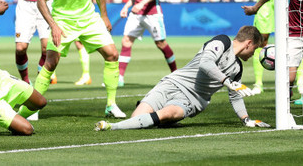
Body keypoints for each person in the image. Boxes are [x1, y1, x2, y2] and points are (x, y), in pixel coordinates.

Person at [18, 0, 126, 119]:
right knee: (51, 63)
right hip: (63, 21)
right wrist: (54, 25)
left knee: (112, 55)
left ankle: (111, 105)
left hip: (88, 18)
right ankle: (30, 109)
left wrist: (104, 15)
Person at [95, 26, 270, 131]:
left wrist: (246, 119)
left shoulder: (237, 68)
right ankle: (161, 117)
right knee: (137, 117)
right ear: (248, 43)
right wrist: (227, 81)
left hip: (193, 100)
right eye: (254, 49)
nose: (253, 54)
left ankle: (111, 127)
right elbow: (206, 63)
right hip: (173, 83)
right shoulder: (222, 42)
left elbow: (235, 96)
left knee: (167, 114)